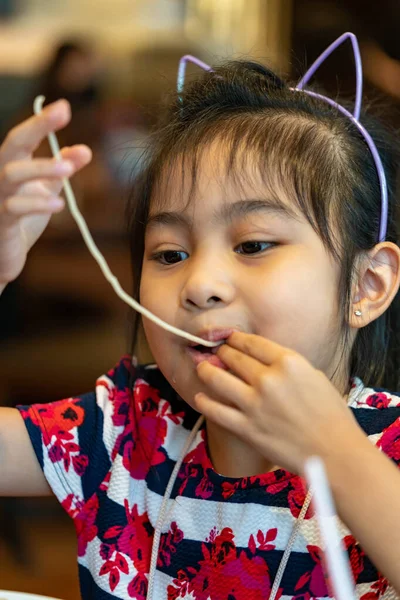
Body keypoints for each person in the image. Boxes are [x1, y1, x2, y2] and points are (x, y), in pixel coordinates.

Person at [0, 54, 400, 600]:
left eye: (253, 245)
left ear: (366, 286)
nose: (200, 284)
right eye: (169, 253)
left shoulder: (387, 453)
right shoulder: (124, 429)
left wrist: (333, 450)